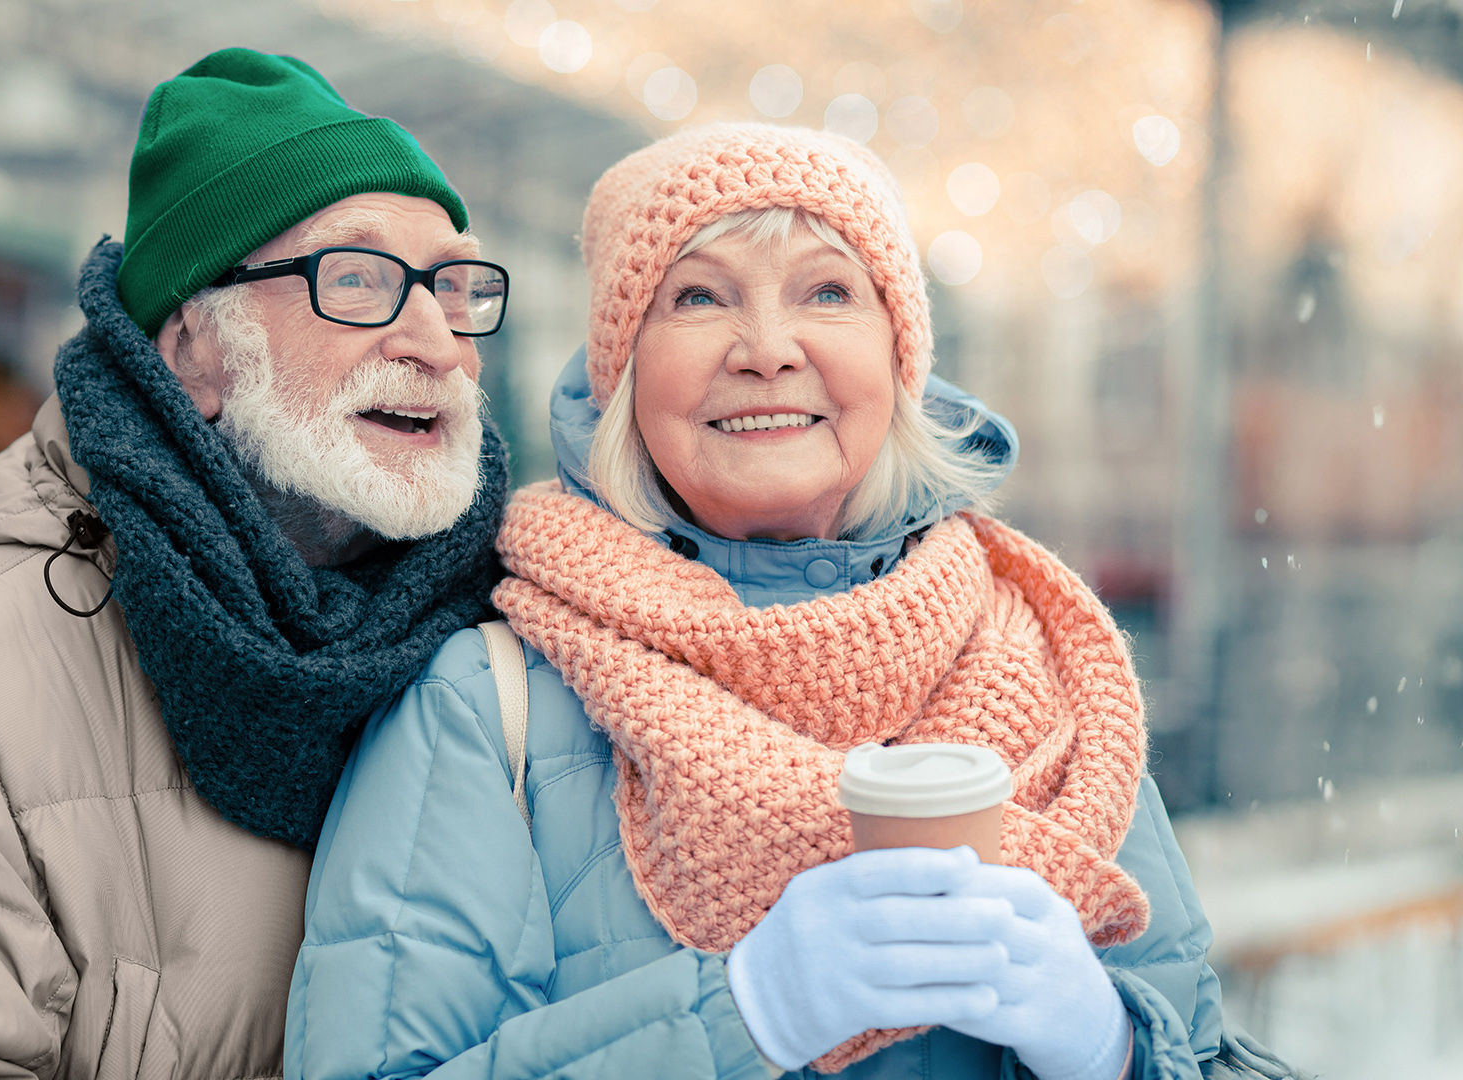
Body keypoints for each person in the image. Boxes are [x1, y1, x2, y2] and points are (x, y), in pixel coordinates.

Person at [288, 124, 1296, 1080]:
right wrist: (746, 1014)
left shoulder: (1052, 671)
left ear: (900, 360)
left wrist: (1113, 1046)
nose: (766, 347)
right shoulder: (486, 706)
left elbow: (1196, 1042)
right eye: (696, 299)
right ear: (622, 375)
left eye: (826, 291)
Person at [0, 49, 512, 1078]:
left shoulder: (518, 650)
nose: (438, 340)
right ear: (193, 349)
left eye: (456, 286)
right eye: (358, 280)